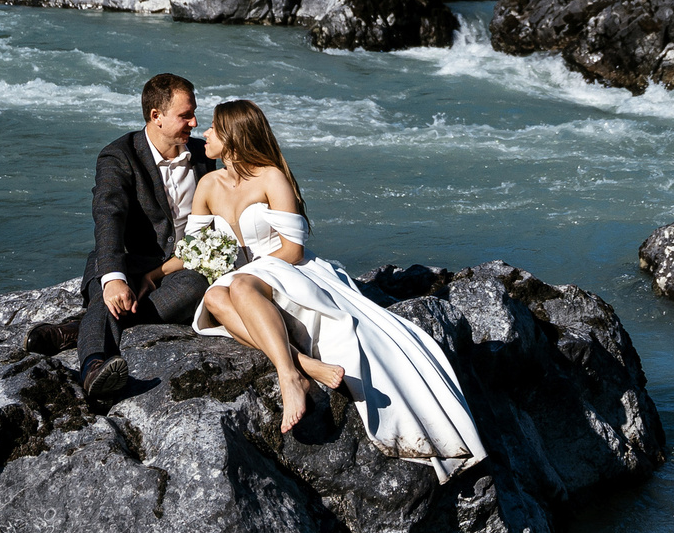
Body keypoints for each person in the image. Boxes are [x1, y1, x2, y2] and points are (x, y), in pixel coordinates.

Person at [187, 99, 485, 481]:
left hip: (288, 268)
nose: (205, 134)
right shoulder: (208, 184)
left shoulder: (271, 176)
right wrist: (146, 275)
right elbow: (191, 248)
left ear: (233, 135)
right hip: (246, 276)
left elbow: (293, 249)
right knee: (214, 297)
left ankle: (289, 376)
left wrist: (246, 273)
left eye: (213, 127)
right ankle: (304, 365)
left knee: (241, 286)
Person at [76, 72, 209, 404]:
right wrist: (114, 278)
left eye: (194, 113)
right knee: (106, 291)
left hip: (179, 269)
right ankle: (93, 368)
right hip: (129, 260)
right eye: (185, 115)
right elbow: (108, 215)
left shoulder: (204, 154)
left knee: (196, 287)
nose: (194, 122)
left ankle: (80, 330)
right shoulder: (119, 155)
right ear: (156, 116)